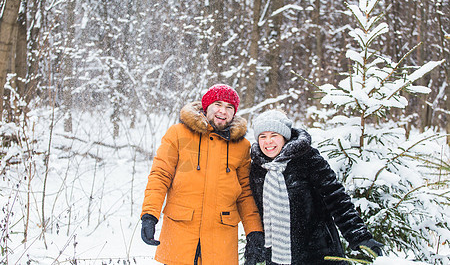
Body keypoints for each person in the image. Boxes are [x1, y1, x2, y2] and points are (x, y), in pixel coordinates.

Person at [140, 84, 264, 265]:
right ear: (206, 106)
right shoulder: (178, 134)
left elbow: (245, 192)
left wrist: (254, 233)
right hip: (181, 233)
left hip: (220, 239)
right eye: (218, 104)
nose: (223, 111)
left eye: (229, 107)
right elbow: (160, 175)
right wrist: (149, 215)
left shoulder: (242, 146)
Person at [249, 109, 383, 265]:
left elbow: (337, 199)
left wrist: (360, 237)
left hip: (319, 252)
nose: (268, 142)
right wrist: (254, 245)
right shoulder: (258, 168)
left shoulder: (308, 159)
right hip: (277, 256)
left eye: (274, 136)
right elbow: (255, 211)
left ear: (285, 137)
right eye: (263, 137)